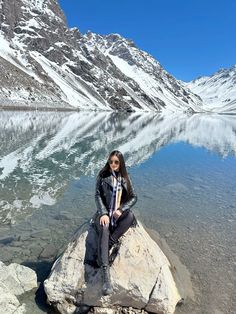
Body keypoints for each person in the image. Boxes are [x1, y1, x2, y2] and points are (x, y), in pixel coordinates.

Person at [94, 150, 138, 295]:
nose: (113, 164)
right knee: (104, 227)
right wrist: (103, 213)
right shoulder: (102, 175)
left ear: (121, 163)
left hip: (118, 213)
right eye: (111, 161)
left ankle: (109, 244)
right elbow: (98, 195)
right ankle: (106, 275)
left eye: (116, 162)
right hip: (105, 213)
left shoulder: (125, 177)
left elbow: (133, 197)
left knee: (130, 216)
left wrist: (121, 209)